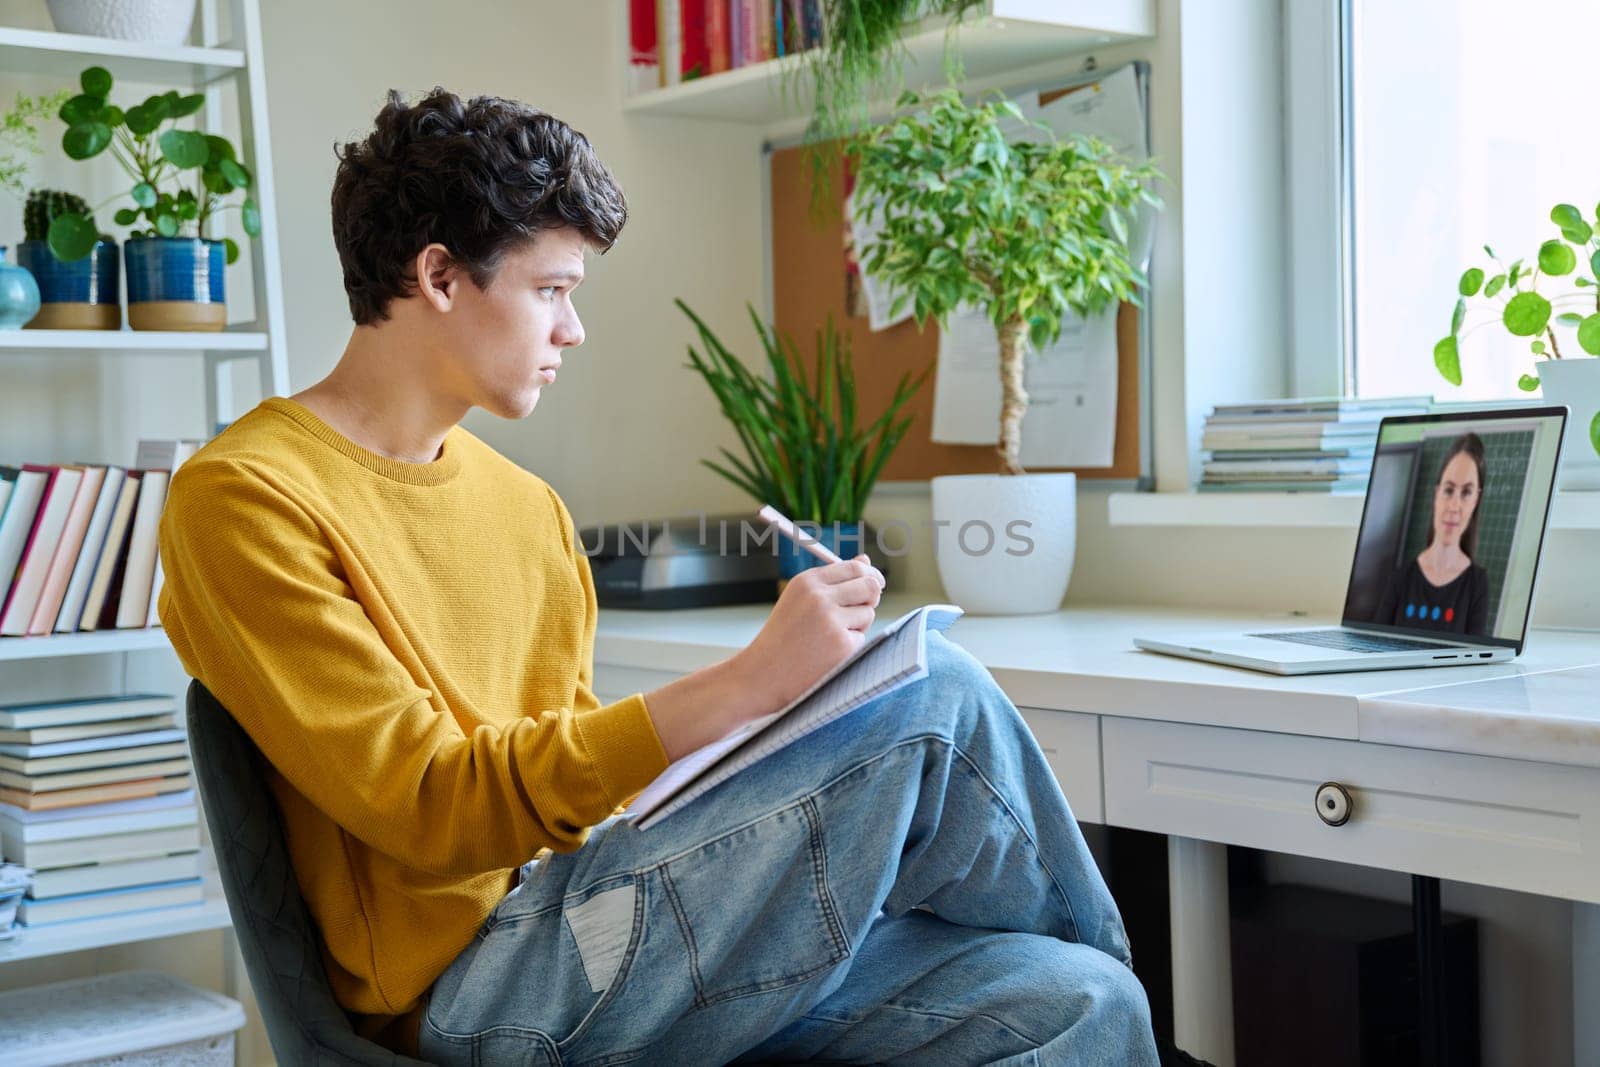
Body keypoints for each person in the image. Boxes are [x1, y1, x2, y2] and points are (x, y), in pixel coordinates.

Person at [157, 89, 1161, 1065]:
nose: (572, 329)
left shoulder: (524, 506)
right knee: (936, 696)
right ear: (440, 276)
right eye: (550, 290)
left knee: (1081, 999)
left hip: (600, 911)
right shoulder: (245, 497)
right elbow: (431, 805)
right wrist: (744, 685)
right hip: (480, 988)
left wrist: (768, 734)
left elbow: (577, 792)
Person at [1374, 432, 1492, 636]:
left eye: (1466, 493)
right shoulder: (1401, 577)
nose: (1454, 506)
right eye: (1448, 490)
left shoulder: (1477, 585)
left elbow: (1476, 661)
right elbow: (1373, 645)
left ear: (1476, 502)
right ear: (1436, 494)